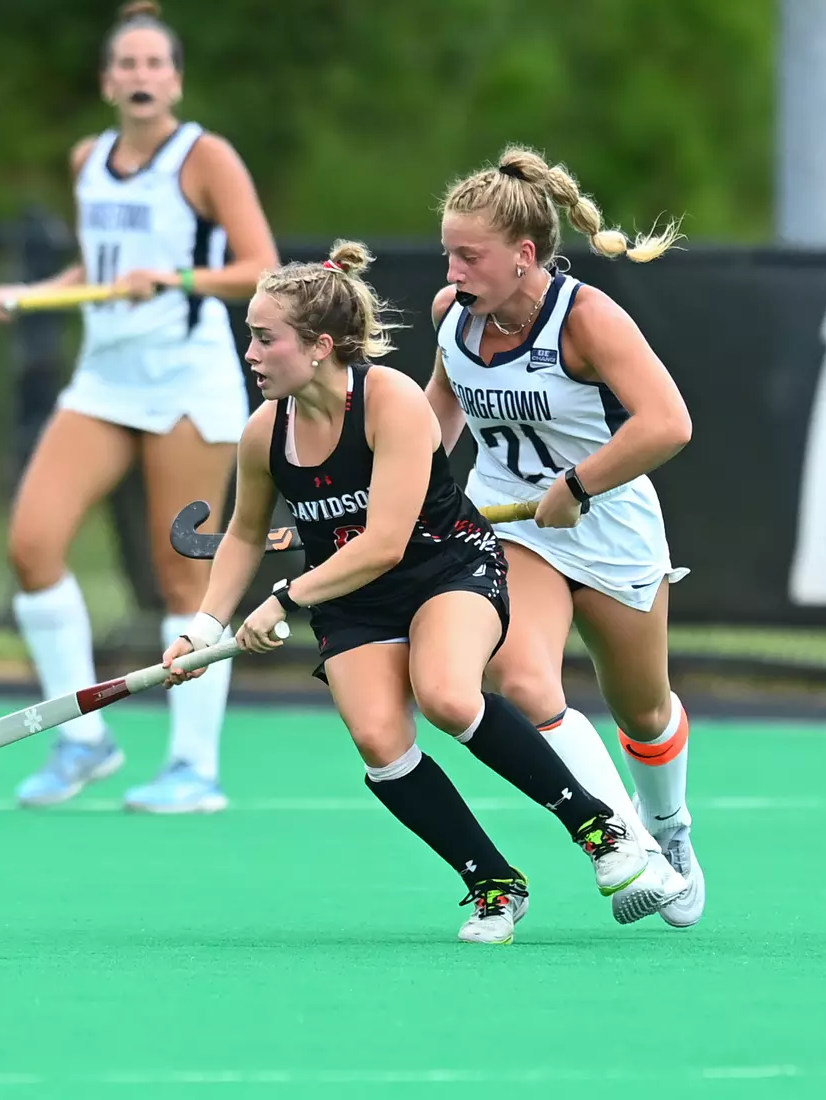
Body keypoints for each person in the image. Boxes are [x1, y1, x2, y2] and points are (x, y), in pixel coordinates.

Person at [162, 241, 663, 945]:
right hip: (351, 600)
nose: (250, 351)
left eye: (264, 337)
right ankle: (492, 883)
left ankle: (597, 827)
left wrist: (282, 600)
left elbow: (386, 542)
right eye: (251, 335)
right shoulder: (262, 433)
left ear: (319, 346)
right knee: (379, 740)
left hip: (445, 570)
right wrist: (206, 626)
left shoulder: (390, 401)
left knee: (450, 695)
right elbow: (244, 535)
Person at [0, 1, 280, 813]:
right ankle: (83, 737)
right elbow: (94, 265)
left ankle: (193, 767)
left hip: (186, 377)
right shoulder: (87, 159)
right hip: (104, 380)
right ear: (108, 82)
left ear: (174, 79)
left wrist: (171, 279)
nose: (141, 78)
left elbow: (260, 266)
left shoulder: (204, 157)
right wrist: (25, 296)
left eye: (154, 65)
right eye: (126, 66)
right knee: (32, 546)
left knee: (183, 571)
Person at [426, 145, 702, 927]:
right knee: (523, 680)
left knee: (643, 710)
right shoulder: (455, 316)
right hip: (512, 526)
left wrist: (579, 485)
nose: (453, 269)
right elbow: (437, 416)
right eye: (449, 251)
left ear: (523, 255)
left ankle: (670, 831)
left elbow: (668, 423)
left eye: (469, 254)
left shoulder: (585, 318)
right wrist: (396, 494)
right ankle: (626, 850)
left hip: (607, 523)